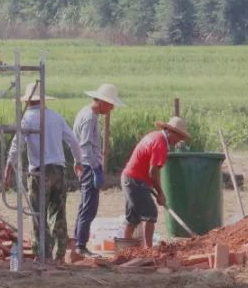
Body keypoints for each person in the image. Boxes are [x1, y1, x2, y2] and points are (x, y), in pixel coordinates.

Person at [3, 82, 81, 261]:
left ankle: (42, 253)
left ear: (28, 101)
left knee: (38, 213)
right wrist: (78, 162)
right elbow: (73, 142)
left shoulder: (27, 119)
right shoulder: (56, 117)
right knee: (58, 212)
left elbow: (17, 145)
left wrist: (8, 166)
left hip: (39, 173)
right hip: (59, 171)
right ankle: (60, 255)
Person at [120, 116, 191, 248]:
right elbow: (153, 172)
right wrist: (160, 193)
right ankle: (148, 249)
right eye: (179, 137)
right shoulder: (161, 144)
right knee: (150, 213)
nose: (179, 141)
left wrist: (155, 189)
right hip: (135, 180)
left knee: (133, 217)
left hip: (131, 179)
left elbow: (151, 171)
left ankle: (125, 249)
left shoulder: (155, 136)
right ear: (171, 132)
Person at [72, 83, 125, 256]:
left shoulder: (84, 113)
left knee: (84, 206)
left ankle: (77, 243)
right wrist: (95, 169)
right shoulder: (90, 117)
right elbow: (85, 145)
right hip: (89, 166)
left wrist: (77, 161)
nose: (111, 109)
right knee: (89, 207)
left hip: (85, 164)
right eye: (110, 105)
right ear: (102, 102)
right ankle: (80, 245)